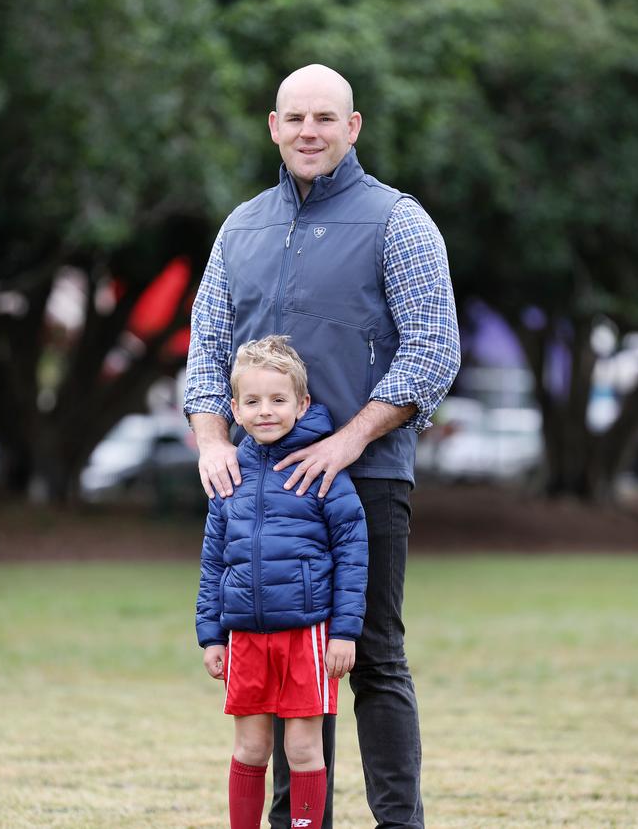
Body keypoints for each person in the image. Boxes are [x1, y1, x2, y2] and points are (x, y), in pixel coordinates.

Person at [185, 64, 461, 829]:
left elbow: (434, 350)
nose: (309, 131)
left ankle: (398, 821)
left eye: (325, 118)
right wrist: (213, 441)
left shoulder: (398, 220)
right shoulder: (239, 227)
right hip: (259, 484)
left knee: (369, 653)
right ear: (273, 126)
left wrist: (347, 439)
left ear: (354, 126)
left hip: (365, 477)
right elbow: (207, 348)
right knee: (280, 659)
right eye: (295, 117)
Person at [197, 335, 368, 829]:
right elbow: (213, 562)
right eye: (252, 401)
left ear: (302, 403)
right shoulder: (229, 472)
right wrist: (211, 634)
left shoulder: (323, 470)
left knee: (301, 747)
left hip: (307, 635)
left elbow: (354, 553)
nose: (265, 411)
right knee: (251, 747)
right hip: (245, 636)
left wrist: (344, 632)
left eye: (278, 400)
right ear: (235, 407)